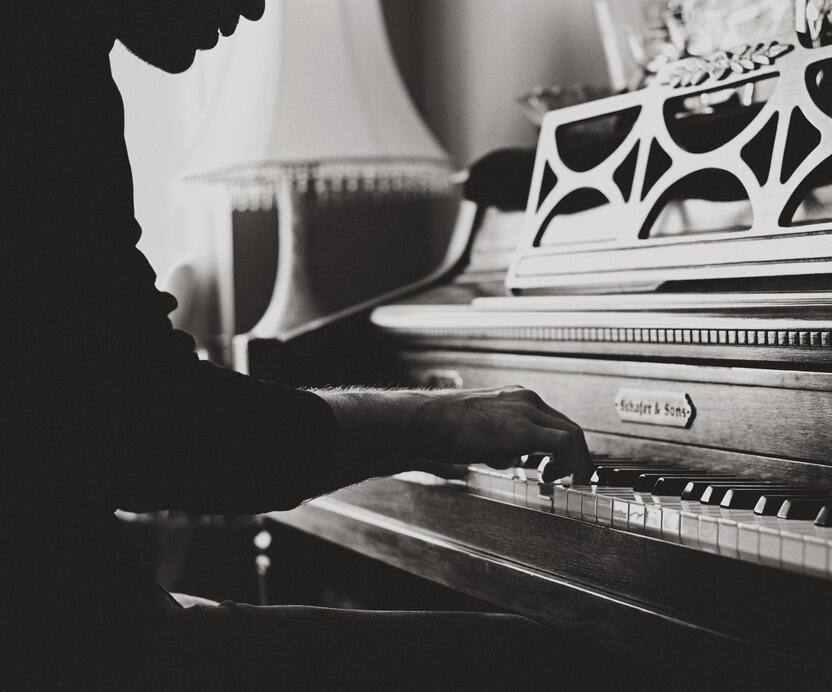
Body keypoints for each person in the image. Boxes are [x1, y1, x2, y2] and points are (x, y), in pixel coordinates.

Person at [2, 1, 592, 689]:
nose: (256, 6)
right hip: (64, 644)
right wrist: (426, 418)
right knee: (543, 664)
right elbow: (152, 429)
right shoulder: (40, 74)